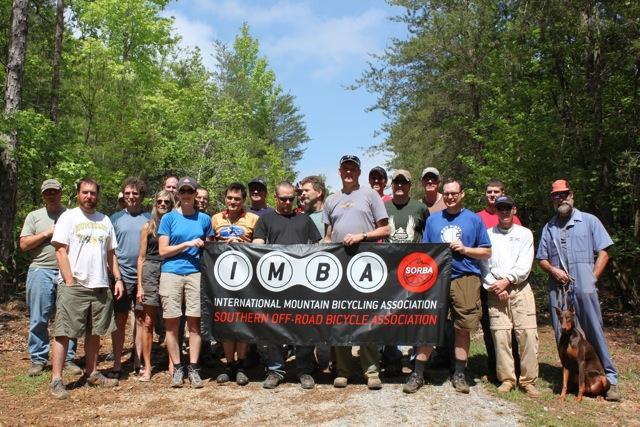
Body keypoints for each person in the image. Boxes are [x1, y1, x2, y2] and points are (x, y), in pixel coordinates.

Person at [536, 179, 620, 401]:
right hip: (558, 286)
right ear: (552, 199)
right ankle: (573, 379)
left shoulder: (589, 221)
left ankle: (609, 378)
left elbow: (604, 251)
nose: (560, 198)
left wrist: (592, 278)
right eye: (556, 195)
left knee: (593, 330)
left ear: (571, 194)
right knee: (562, 333)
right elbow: (542, 259)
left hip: (584, 285)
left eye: (563, 194)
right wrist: (553, 270)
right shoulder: (549, 227)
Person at [49, 178, 124, 399]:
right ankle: (56, 380)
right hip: (75, 285)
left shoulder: (105, 220)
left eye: (92, 193)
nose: (89, 196)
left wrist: (117, 279)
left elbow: (111, 254)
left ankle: (92, 373)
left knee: (95, 332)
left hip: (100, 285)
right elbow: (60, 251)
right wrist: (70, 281)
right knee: (64, 333)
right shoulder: (68, 217)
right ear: (78, 194)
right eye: (85, 192)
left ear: (97, 195)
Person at [415, 178, 491, 394]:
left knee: (462, 328)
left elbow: (486, 251)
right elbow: (425, 252)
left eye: (454, 193)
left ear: (462, 194)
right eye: (446, 193)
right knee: (429, 325)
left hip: (465, 278)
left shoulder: (474, 220)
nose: (449, 197)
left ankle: (459, 373)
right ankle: (418, 372)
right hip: (437, 279)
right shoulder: (433, 220)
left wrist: (465, 249)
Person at [323, 154, 390, 390]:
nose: (349, 172)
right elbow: (328, 236)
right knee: (339, 318)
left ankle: (371, 370)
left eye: (353, 168)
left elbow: (386, 227)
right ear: (339, 172)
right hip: (339, 268)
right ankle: (342, 370)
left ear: (359, 172)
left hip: (366, 266)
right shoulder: (331, 200)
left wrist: (362, 236)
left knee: (368, 319)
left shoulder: (370, 195)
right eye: (345, 168)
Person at [253, 181, 322, 389]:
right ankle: (276, 370)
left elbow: (318, 247)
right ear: (276, 197)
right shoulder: (264, 220)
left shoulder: (304, 220)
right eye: (283, 198)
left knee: (303, 326)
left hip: (302, 283)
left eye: (291, 198)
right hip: (274, 283)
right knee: (274, 327)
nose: (287, 202)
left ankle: (304, 370)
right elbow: (257, 247)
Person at [19, 179, 81, 377]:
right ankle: (38, 358)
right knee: (39, 317)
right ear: (43, 195)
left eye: (54, 192)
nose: (51, 195)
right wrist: (47, 233)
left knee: (69, 317)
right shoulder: (34, 216)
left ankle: (69, 358)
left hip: (67, 271)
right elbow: (24, 244)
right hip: (40, 270)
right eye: (47, 193)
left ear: (61, 193)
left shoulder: (71, 215)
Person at [158, 176, 214, 388]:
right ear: (178, 194)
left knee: (194, 324)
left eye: (190, 191)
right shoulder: (169, 218)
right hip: (171, 273)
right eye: (183, 191)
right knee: (172, 325)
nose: (187, 195)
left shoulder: (204, 219)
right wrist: (187, 244)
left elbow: (210, 248)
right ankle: (177, 368)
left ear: (195, 193)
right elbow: (163, 251)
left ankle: (194, 368)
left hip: (195, 274)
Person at [481, 195, 540, 397]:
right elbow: (483, 265)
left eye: (508, 208)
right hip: (496, 290)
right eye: (500, 208)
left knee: (528, 335)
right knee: (500, 336)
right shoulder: (487, 235)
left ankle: (528, 380)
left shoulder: (525, 234)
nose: (504, 212)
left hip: (520, 288)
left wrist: (508, 280)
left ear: (514, 210)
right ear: (495, 211)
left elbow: (525, 264)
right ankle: (507, 379)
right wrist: (495, 286)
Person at [211, 182, 259, 386]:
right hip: (221, 278)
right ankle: (228, 364)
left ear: (244, 201)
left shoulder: (254, 219)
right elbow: (207, 242)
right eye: (230, 198)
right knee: (226, 319)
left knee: (243, 319)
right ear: (225, 198)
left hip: (246, 277)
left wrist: (243, 244)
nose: (233, 202)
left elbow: (261, 246)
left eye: (237, 199)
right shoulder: (215, 219)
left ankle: (241, 364)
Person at [476, 179, 522, 382]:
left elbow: (517, 253)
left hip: (510, 284)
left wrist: (507, 282)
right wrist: (494, 284)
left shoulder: (515, 219)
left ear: (503, 193)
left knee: (512, 328)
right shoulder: (478, 218)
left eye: (496, 192)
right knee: (490, 326)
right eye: (489, 192)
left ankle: (516, 368)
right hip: (486, 282)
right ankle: (495, 367)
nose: (492, 195)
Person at [109, 177, 150, 378]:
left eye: (135, 193)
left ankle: (138, 360)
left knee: (141, 319)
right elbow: (111, 251)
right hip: (121, 277)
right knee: (120, 318)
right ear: (123, 196)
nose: (131, 197)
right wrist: (116, 276)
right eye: (127, 193)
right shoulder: (114, 218)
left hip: (143, 278)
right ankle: (117, 362)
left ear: (142, 196)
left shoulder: (150, 219)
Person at [136, 190, 175, 382]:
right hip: (150, 270)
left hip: (169, 269)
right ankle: (148, 367)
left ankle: (172, 363)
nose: (162, 204)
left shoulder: (175, 224)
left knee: (170, 320)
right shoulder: (147, 227)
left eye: (166, 202)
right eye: (159, 201)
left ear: (171, 204)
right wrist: (140, 286)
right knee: (148, 322)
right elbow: (141, 257)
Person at [385, 170, 428, 244]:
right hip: (388, 255)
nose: (399, 185)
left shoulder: (421, 208)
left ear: (410, 186)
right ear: (392, 185)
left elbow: (429, 235)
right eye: (396, 182)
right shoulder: (383, 208)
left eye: (404, 182)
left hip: (414, 255)